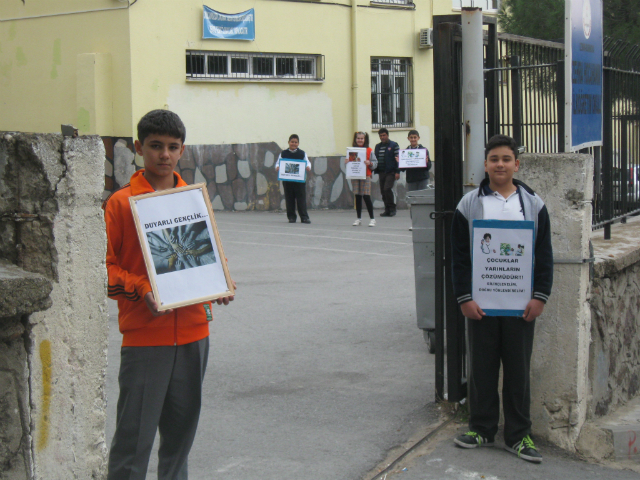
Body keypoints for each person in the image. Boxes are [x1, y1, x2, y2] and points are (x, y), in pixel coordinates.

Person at [103, 109, 235, 479]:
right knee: (134, 442)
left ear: (182, 151)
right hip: (146, 338)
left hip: (195, 334)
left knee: (180, 442)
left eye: (172, 147)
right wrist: (142, 288)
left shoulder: (193, 199)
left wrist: (220, 280)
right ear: (138, 148)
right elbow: (105, 267)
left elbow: (209, 250)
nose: (164, 154)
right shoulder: (120, 203)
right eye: (155, 146)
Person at [450, 134, 553, 464]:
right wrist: (465, 298)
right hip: (481, 305)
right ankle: (481, 427)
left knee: (518, 371)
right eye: (494, 159)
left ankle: (518, 436)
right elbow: (460, 256)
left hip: (521, 306)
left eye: (506, 159)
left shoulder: (533, 204)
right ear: (485, 164)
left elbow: (544, 254)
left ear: (516, 164)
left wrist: (540, 297)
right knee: (482, 367)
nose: (500, 164)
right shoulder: (469, 204)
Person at [275, 134, 312, 224]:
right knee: (289, 198)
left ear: (298, 143)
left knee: (301, 199)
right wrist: (277, 167)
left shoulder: (302, 153)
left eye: (295, 142)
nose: (293, 144)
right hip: (287, 181)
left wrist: (308, 167)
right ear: (288, 142)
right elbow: (277, 164)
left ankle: (304, 217)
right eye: (292, 142)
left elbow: (308, 163)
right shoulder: (283, 153)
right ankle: (291, 217)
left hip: (299, 181)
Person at [346, 132, 378, 227]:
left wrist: (370, 163)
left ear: (365, 140)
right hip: (355, 175)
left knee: (366, 196)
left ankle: (372, 219)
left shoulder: (369, 150)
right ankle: (358, 218)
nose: (360, 140)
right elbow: (350, 164)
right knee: (358, 196)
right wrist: (347, 162)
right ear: (355, 139)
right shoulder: (351, 151)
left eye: (362, 138)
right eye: (358, 138)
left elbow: (375, 162)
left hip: (366, 175)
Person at [401, 130, 431, 230]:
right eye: (411, 137)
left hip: (422, 179)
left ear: (418, 138)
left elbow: (428, 166)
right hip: (411, 180)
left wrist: (427, 162)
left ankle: (424, 223)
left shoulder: (424, 150)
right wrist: (399, 162)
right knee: (413, 202)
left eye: (415, 137)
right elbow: (402, 168)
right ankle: (414, 223)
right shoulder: (405, 151)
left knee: (423, 201)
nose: (413, 139)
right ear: (408, 139)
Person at [373, 128, 400, 217]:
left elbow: (398, 159)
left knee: (387, 189)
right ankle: (387, 210)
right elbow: (375, 159)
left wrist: (397, 171)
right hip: (381, 172)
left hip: (391, 172)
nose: (382, 137)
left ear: (387, 135)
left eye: (384, 135)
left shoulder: (394, 145)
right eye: (381, 135)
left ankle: (392, 208)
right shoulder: (377, 146)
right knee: (383, 191)